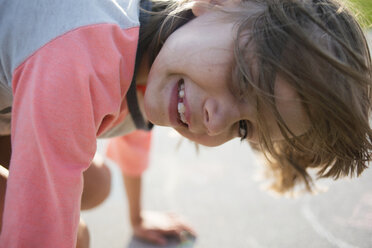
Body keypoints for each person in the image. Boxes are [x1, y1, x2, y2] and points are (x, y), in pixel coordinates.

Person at [0, 0, 371, 247]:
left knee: (95, 186)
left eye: (243, 127)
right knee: (73, 236)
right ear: (216, 3)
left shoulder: (164, 53)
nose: (216, 123)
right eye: (241, 80)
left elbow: (132, 127)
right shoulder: (79, 56)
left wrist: (137, 217)